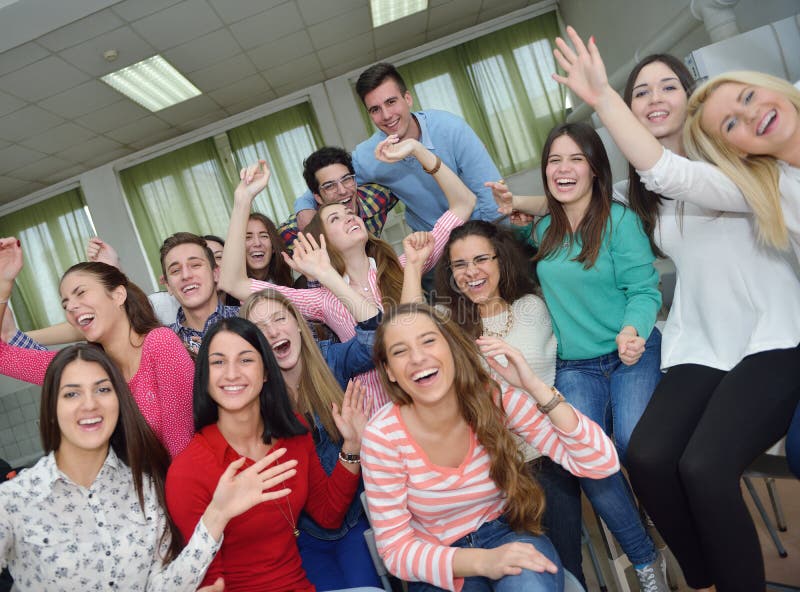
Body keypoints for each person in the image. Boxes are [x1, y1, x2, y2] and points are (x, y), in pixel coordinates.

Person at [551, 28, 800, 591]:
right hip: (704, 338)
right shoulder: (643, 190)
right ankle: (706, 579)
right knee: (649, 457)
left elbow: (677, 173)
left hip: (773, 334)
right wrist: (522, 203)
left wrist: (604, 100)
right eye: (641, 91)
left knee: (704, 468)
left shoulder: (742, 162)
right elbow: (595, 196)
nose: (655, 97)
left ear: (694, 102)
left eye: (668, 86)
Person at [361, 303, 620, 592]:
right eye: (400, 351)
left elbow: (601, 462)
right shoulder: (382, 436)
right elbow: (396, 550)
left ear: (451, 348)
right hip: (440, 562)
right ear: (390, 371)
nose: (418, 357)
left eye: (429, 341)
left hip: (507, 536)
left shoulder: (492, 398)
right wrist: (483, 561)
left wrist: (535, 387)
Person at [0, 342, 298, 591]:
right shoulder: (14, 500)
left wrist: (217, 515)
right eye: (71, 393)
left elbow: (158, 585)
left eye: (103, 390)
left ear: (120, 403)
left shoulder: (145, 489)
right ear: (51, 409)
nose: (90, 404)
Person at [512, 121, 666, 589]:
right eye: (555, 161)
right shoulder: (541, 232)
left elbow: (644, 289)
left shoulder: (620, 222)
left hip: (629, 353)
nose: (564, 169)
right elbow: (493, 247)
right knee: (587, 457)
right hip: (576, 366)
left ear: (595, 167)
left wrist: (633, 329)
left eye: (576, 159)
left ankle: (666, 520)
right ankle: (645, 558)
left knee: (633, 447)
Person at [218, 139, 476, 411]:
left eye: (348, 213)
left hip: (436, 398)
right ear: (323, 242)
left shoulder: (405, 264)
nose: (349, 217)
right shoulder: (322, 299)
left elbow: (463, 203)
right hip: (379, 420)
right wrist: (243, 200)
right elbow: (233, 282)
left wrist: (417, 149)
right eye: (335, 219)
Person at [166, 317, 377, 592]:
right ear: (204, 376)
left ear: (266, 371)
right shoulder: (188, 470)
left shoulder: (295, 431)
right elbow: (210, 582)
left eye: (245, 360)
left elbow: (328, 515)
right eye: (218, 362)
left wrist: (351, 447)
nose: (231, 373)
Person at [431, 220, 588, 586]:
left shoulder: (533, 306)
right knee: (519, 569)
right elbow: (403, 329)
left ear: (501, 260)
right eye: (459, 265)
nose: (472, 272)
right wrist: (411, 266)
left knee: (564, 567)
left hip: (546, 456)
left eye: (481, 259)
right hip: (490, 470)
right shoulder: (447, 323)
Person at [0, 237, 194, 457]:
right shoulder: (83, 367)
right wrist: (4, 283)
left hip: (182, 485)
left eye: (80, 293)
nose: (71, 306)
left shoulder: (160, 343)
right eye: (65, 304)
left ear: (118, 295)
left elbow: (181, 446)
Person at [241, 288, 381, 590]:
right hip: (303, 537)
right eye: (261, 329)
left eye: (279, 318)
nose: (274, 331)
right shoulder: (256, 402)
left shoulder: (331, 358)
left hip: (358, 522)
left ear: (298, 323)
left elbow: (376, 339)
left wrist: (329, 276)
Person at [293, 63, 500, 233]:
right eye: (375, 109)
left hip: (482, 231)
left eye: (391, 102)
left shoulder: (451, 129)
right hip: (434, 247)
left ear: (407, 98)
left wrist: (499, 243)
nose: (386, 115)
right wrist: (304, 209)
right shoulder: (369, 155)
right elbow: (328, 182)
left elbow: (491, 195)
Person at [278, 146, 398, 252]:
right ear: (318, 197)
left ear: (355, 181)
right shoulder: (297, 229)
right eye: (329, 186)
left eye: (346, 179)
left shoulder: (377, 197)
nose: (342, 191)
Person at [245, 211, 294, 286]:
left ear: (273, 247)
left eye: (264, 236)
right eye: (248, 237)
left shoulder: (287, 281)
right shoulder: (230, 288)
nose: (257, 243)